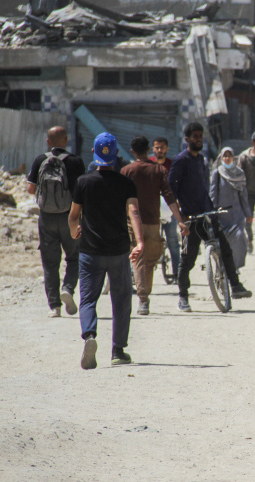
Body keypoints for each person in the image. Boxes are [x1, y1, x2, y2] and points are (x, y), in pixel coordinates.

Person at [67, 132, 144, 369]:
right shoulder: (126, 182)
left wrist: (74, 231)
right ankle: (118, 351)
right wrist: (140, 242)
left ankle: (90, 335)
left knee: (88, 298)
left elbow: (73, 216)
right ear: (116, 155)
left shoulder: (83, 182)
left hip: (90, 250)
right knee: (121, 300)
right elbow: (134, 212)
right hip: (119, 251)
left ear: (94, 153)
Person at [168, 122, 252, 312]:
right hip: (191, 218)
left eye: (201, 136)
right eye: (195, 136)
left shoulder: (201, 160)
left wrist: (213, 210)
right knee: (187, 260)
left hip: (207, 215)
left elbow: (205, 190)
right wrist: (180, 218)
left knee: (225, 249)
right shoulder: (181, 161)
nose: (199, 139)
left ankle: (236, 285)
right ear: (187, 139)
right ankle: (183, 297)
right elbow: (170, 191)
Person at [121, 135, 189, 316]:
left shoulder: (127, 171)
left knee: (138, 259)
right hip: (152, 222)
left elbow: (120, 199)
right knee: (149, 261)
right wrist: (180, 220)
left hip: (132, 224)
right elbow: (169, 196)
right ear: (149, 150)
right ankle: (144, 297)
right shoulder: (159, 171)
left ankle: (143, 299)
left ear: (133, 151)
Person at [26, 126, 85, 318]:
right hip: (70, 217)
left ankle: (54, 306)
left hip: (47, 218)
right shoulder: (76, 161)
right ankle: (68, 288)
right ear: (66, 140)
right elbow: (81, 192)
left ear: (48, 142)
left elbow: (30, 189)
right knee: (74, 257)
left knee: (50, 263)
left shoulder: (40, 160)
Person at [210, 147, 253, 271]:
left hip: (237, 215)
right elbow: (213, 194)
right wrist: (213, 213)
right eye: (225, 156)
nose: (227, 158)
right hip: (222, 215)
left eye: (229, 156)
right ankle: (221, 265)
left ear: (233, 158)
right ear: (222, 158)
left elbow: (243, 196)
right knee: (221, 243)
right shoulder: (217, 174)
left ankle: (234, 267)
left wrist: (248, 213)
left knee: (239, 239)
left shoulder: (239, 173)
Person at [150, 137, 181, 283]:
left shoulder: (172, 165)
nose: (159, 150)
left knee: (173, 242)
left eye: (162, 147)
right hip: (152, 210)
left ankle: (177, 274)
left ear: (167, 148)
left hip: (170, 208)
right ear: (153, 149)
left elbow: (178, 185)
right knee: (147, 242)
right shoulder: (148, 164)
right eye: (157, 147)